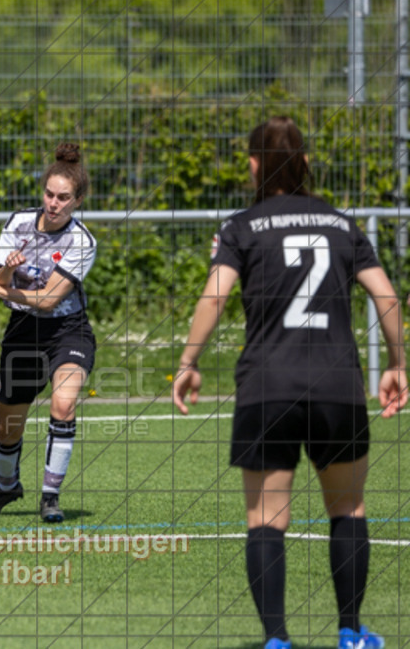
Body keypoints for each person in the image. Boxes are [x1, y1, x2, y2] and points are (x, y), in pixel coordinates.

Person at [172, 116, 406, 649]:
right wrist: (397, 362)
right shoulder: (344, 225)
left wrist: (188, 362)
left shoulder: (242, 226)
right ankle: (350, 633)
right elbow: (386, 297)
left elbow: (214, 297)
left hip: (267, 386)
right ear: (305, 163)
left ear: (255, 164)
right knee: (348, 509)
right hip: (337, 386)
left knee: (265, 517)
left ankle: (277, 640)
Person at [0, 143, 97, 523]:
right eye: (49, 194)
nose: (53, 203)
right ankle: (8, 487)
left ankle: (50, 496)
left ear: (77, 201)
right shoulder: (19, 224)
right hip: (22, 332)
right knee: (9, 427)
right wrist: (6, 271)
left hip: (67, 332)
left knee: (63, 403)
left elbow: (48, 300)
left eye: (63, 198)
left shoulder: (82, 242)